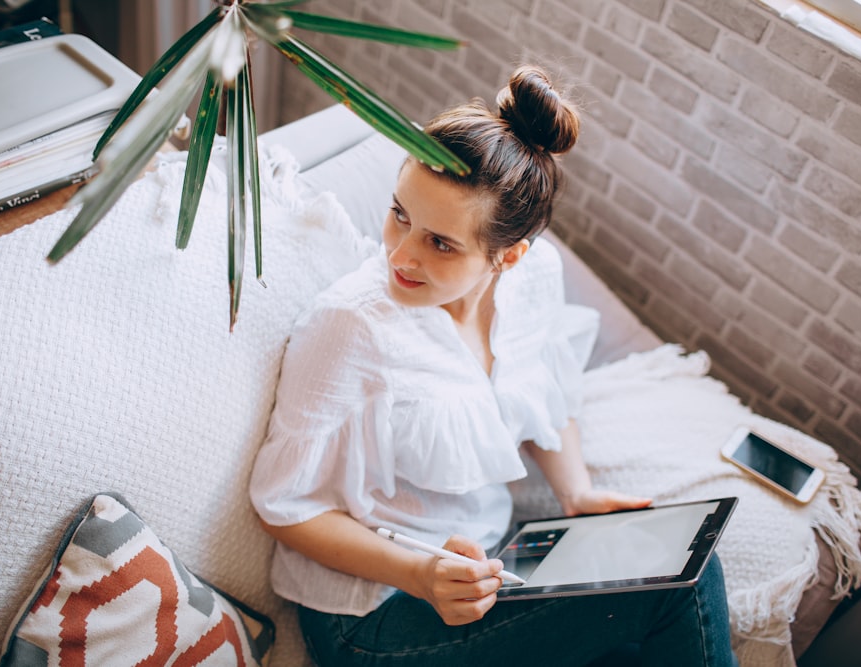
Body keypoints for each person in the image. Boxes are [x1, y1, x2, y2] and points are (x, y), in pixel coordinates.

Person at [249, 65, 737, 667]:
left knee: (668, 589)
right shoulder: (351, 326)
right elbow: (286, 507)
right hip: (372, 615)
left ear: (508, 257)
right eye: (400, 213)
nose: (400, 253)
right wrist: (422, 573)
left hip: (493, 566)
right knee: (683, 584)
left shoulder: (535, 281)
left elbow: (549, 392)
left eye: (441, 243)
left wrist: (576, 493)